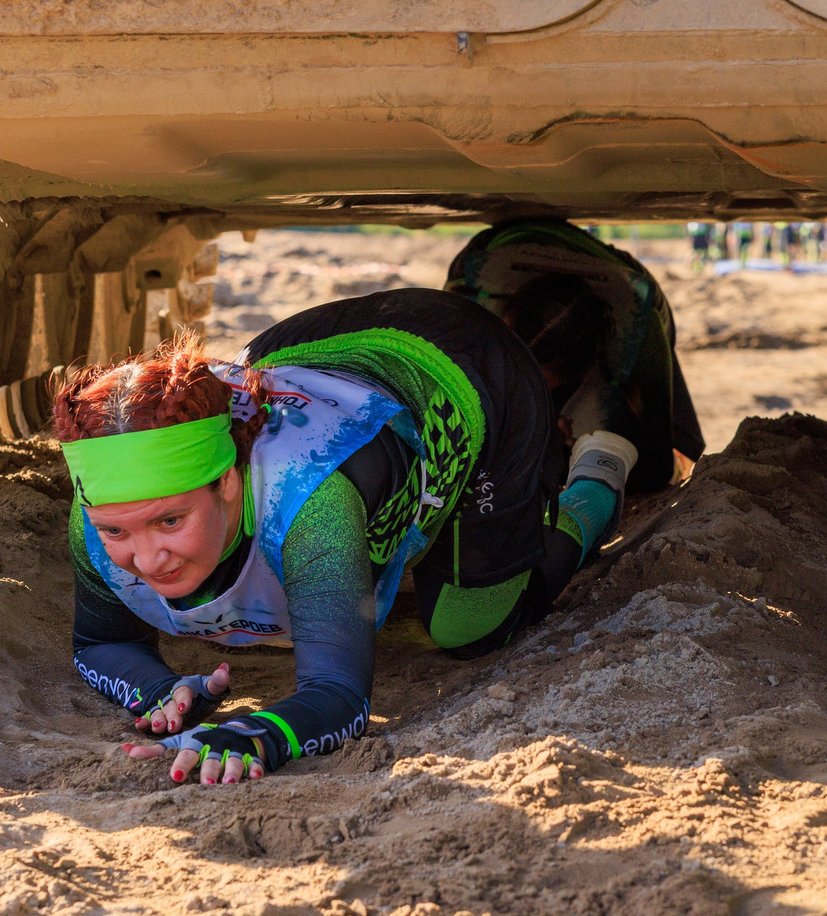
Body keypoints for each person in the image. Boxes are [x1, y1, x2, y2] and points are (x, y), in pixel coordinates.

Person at [59, 292, 637, 786]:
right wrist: (159, 692)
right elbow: (99, 643)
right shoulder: (103, 504)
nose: (147, 557)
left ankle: (596, 482)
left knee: (471, 626)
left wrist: (260, 735)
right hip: (311, 349)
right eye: (116, 530)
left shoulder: (310, 503)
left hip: (462, 363)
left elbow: (341, 697)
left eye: (169, 521)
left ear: (229, 482)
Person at [444, 217, 704, 493]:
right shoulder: (467, 297)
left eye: (544, 383)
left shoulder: (642, 330)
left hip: (629, 288)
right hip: (496, 249)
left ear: (585, 368)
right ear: (506, 323)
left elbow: (654, 468)